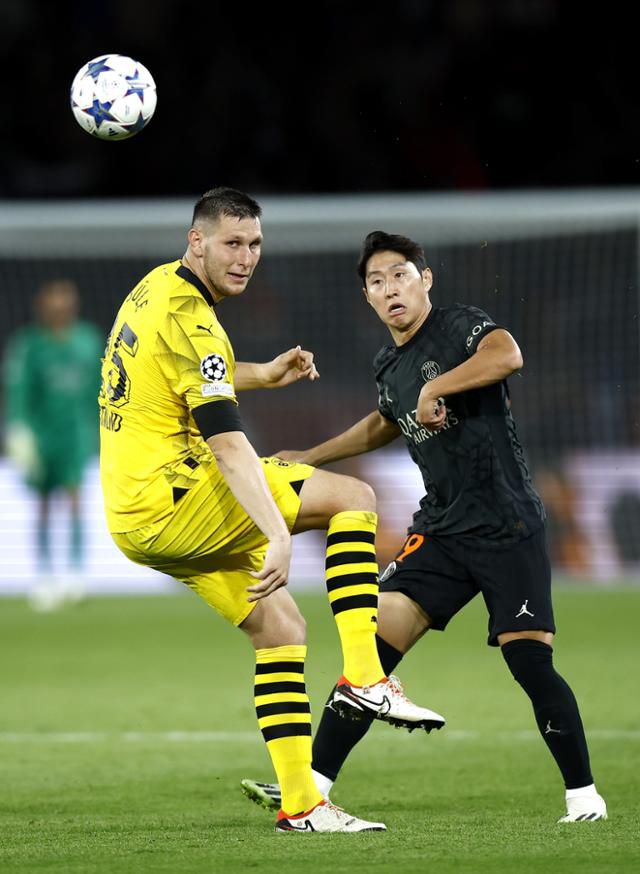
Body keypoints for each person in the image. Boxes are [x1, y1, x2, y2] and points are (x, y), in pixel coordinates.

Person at [99, 190, 444, 835]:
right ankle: (367, 677)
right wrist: (275, 535)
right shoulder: (194, 318)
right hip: (176, 498)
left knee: (281, 629)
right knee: (353, 498)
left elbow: (187, 367)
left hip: (134, 519)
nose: (246, 257)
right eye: (232, 243)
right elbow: (229, 445)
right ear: (196, 240)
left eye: (255, 244)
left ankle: (303, 806)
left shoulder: (156, 289)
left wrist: (263, 373)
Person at [241, 230, 607, 824]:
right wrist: (310, 457)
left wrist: (439, 384)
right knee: (368, 661)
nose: (391, 290)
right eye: (377, 282)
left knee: (529, 664)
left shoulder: (460, 326)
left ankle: (584, 798)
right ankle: (306, 787)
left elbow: (506, 355)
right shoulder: (389, 363)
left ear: (425, 279)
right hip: (440, 531)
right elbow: (385, 423)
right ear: (367, 297)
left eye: (400, 275)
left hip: (506, 526)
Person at [3, 279, 103, 610]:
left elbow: (99, 389)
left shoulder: (88, 342)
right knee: (43, 506)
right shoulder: (31, 345)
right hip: (43, 436)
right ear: (45, 307)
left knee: (76, 500)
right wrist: (19, 430)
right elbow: (20, 393)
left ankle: (76, 574)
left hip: (76, 434)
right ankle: (45, 575)